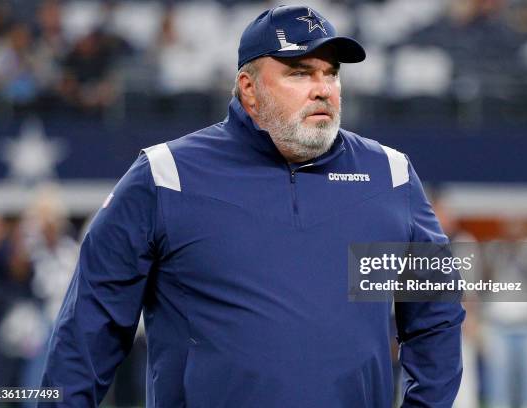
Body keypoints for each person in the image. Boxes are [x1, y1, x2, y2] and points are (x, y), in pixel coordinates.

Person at [39, 5, 465, 407]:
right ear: (249, 88)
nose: (322, 89)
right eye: (300, 74)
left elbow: (437, 315)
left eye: (330, 74)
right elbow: (89, 328)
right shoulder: (165, 176)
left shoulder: (390, 175)